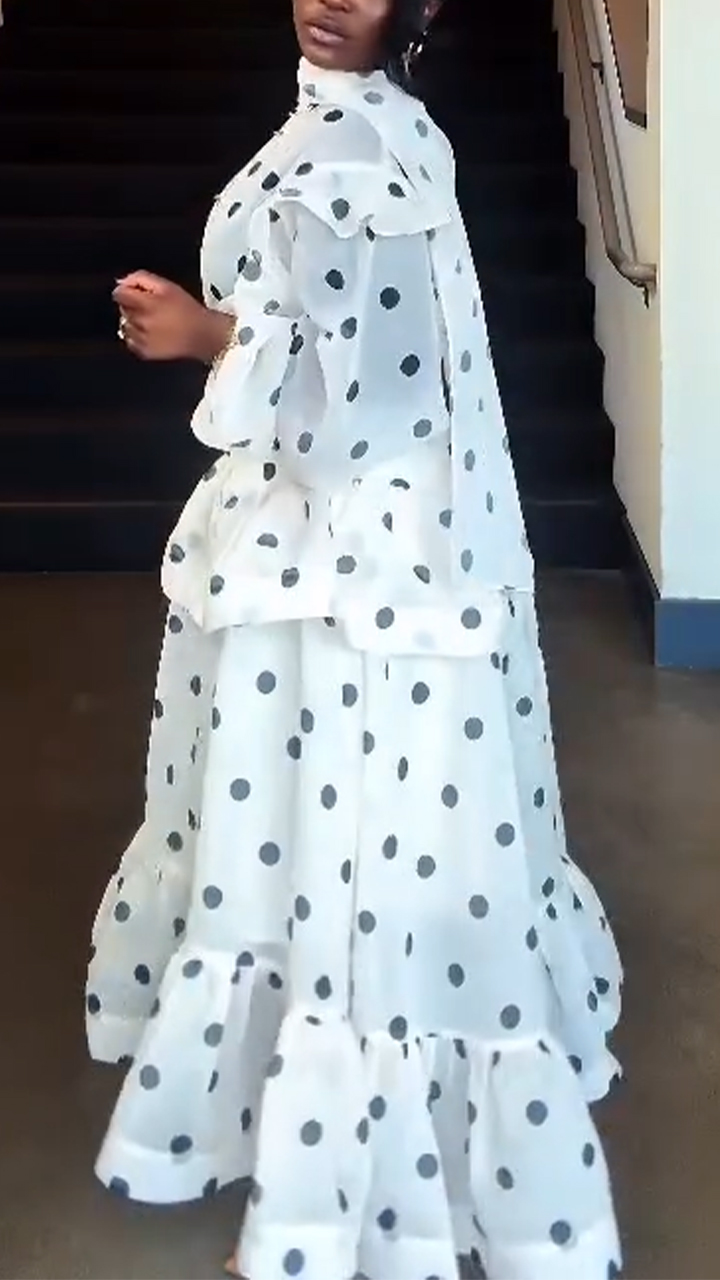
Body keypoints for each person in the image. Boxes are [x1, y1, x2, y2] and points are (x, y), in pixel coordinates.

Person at [87, 0, 624, 1276]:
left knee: (342, 852)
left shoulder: (365, 150)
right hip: (345, 543)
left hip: (354, 564)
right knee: (328, 843)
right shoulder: (372, 128)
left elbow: (376, 389)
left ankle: (330, 1203)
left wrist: (206, 335)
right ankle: (328, 1153)